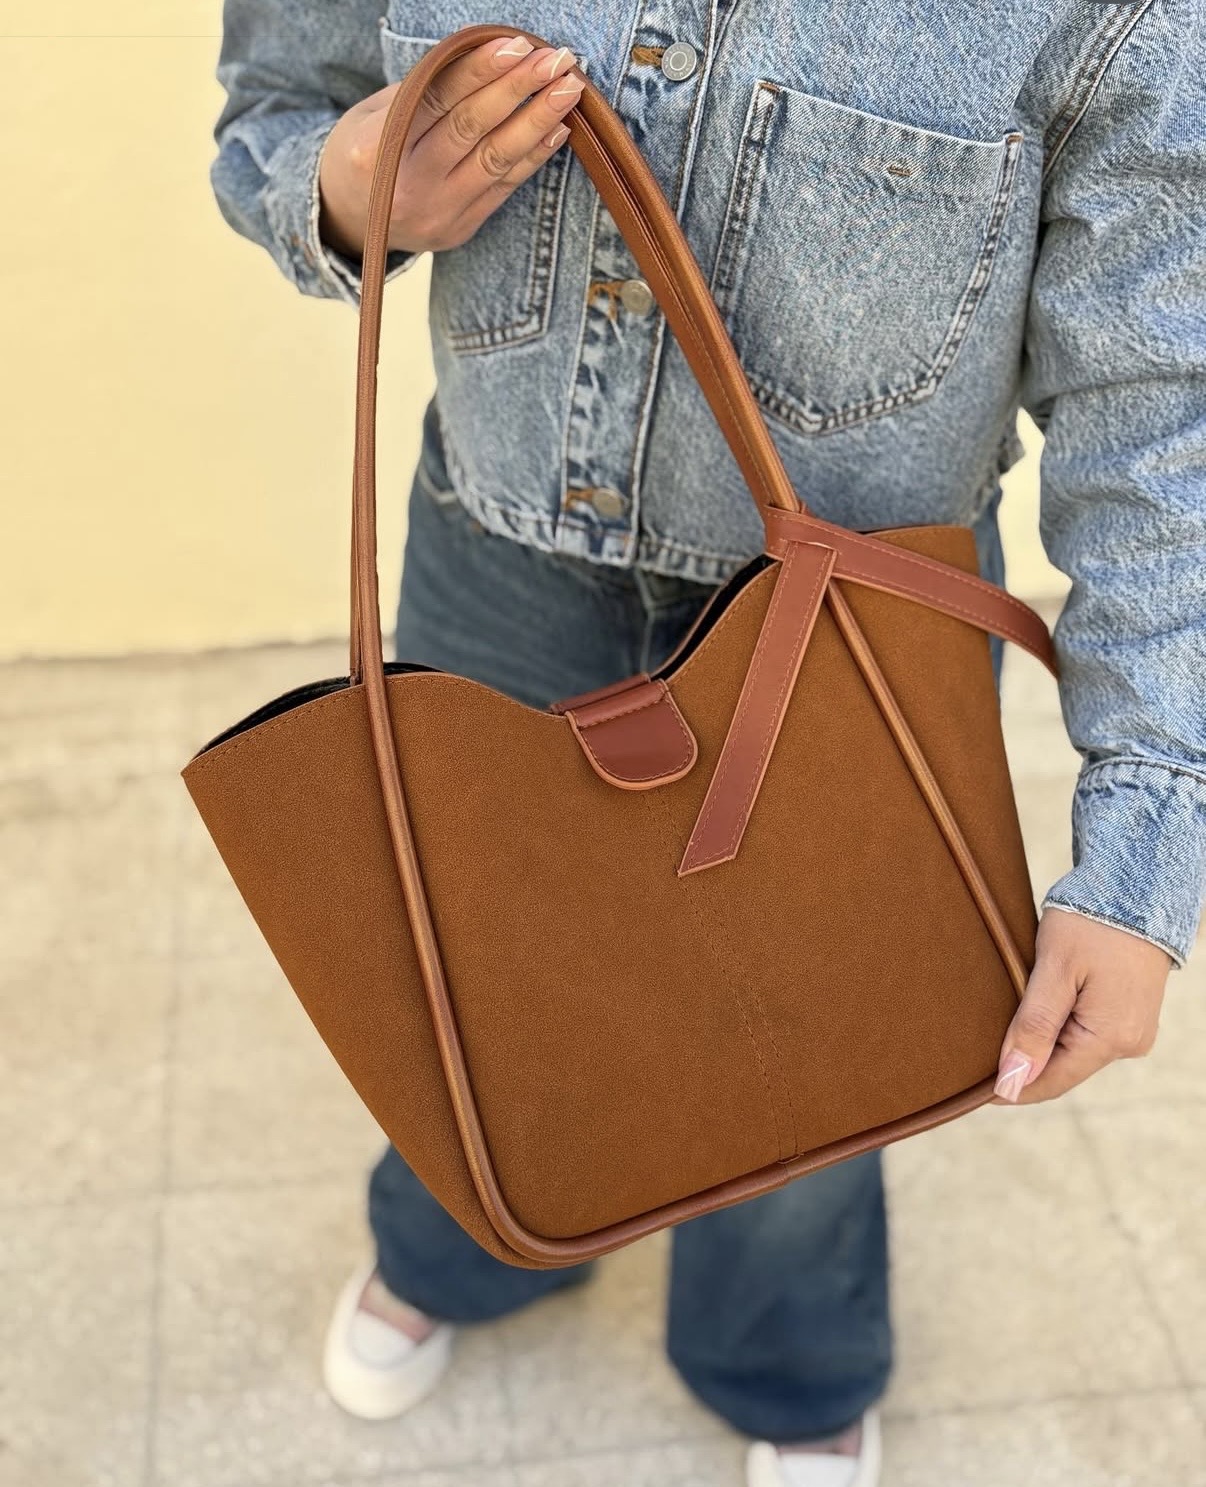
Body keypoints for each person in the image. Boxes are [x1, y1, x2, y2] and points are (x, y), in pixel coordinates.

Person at [209, 5, 1204, 1484]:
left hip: (855, 617)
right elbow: (276, 109)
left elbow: (1159, 401)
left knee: (815, 1046)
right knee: (474, 986)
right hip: (495, 544)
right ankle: (467, 1245)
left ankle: (783, 1354)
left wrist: (1146, 843)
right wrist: (354, 190)